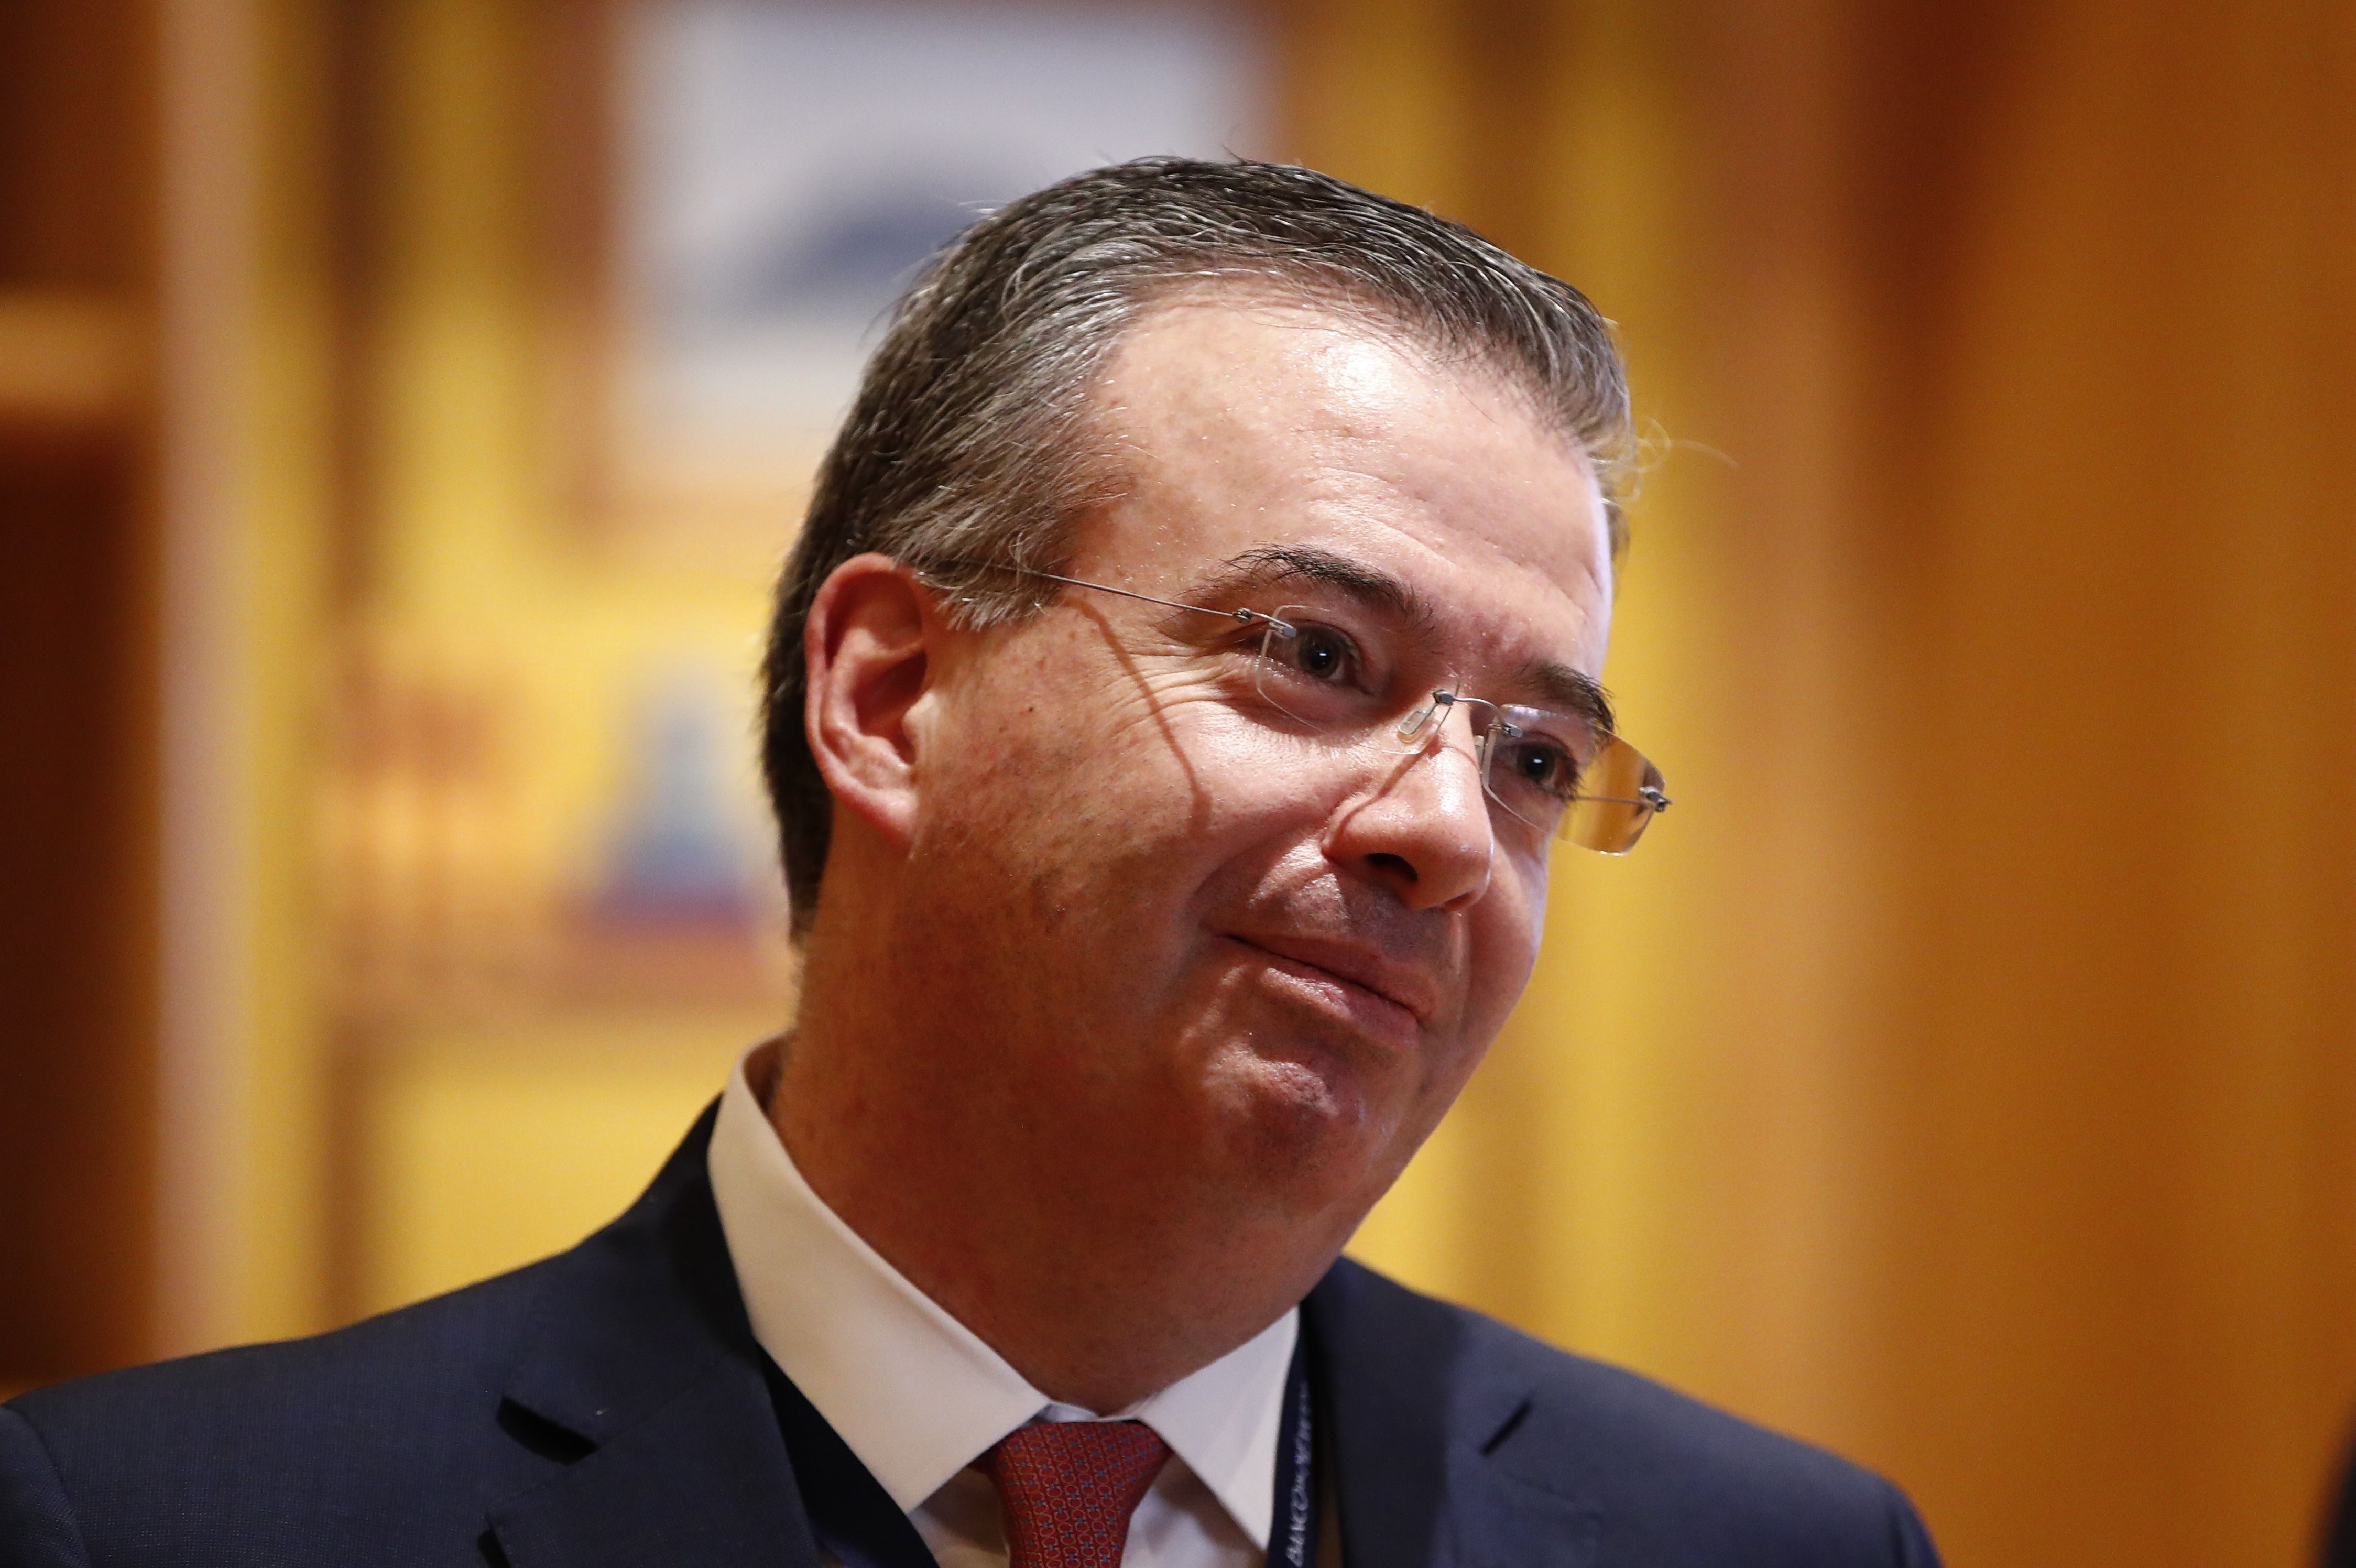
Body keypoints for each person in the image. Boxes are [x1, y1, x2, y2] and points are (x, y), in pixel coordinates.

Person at [0, 159, 1936, 1568]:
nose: (1445, 831)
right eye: (1315, 654)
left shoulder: (1774, 1546)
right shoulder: (155, 1527)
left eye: (1534, 758)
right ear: (892, 692)